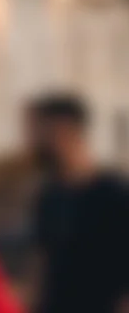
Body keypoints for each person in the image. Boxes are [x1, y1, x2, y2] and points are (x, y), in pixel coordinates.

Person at [24, 94, 129, 312]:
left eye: (41, 131)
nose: (33, 141)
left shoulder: (115, 194)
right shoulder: (49, 196)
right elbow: (43, 258)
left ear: (65, 130)